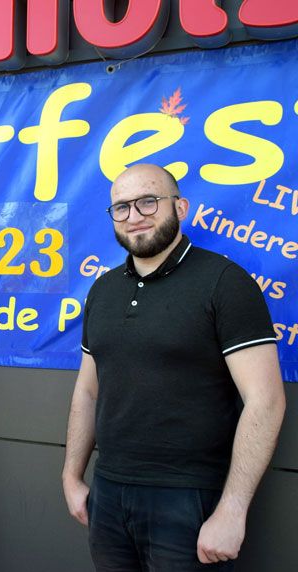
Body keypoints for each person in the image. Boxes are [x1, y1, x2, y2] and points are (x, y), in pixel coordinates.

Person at [62, 163, 285, 570]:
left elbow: (266, 400)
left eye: (148, 201)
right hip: (108, 492)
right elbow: (88, 390)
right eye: (122, 207)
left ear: (180, 207)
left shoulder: (225, 283)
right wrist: (72, 475)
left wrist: (232, 510)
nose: (134, 216)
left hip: (190, 499)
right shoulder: (103, 289)